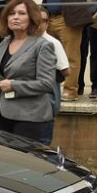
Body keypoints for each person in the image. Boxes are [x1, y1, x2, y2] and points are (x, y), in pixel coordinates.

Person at [0, 0, 57, 143]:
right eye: (11, 14)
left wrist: (13, 85)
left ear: (31, 17)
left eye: (21, 13)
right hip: (3, 113)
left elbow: (46, 83)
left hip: (30, 117)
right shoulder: (3, 44)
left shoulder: (42, 46)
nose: (16, 17)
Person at [37, 8, 71, 145]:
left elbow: (66, 70)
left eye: (45, 21)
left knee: (43, 143)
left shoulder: (52, 42)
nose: (41, 24)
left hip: (47, 94)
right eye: (38, 20)